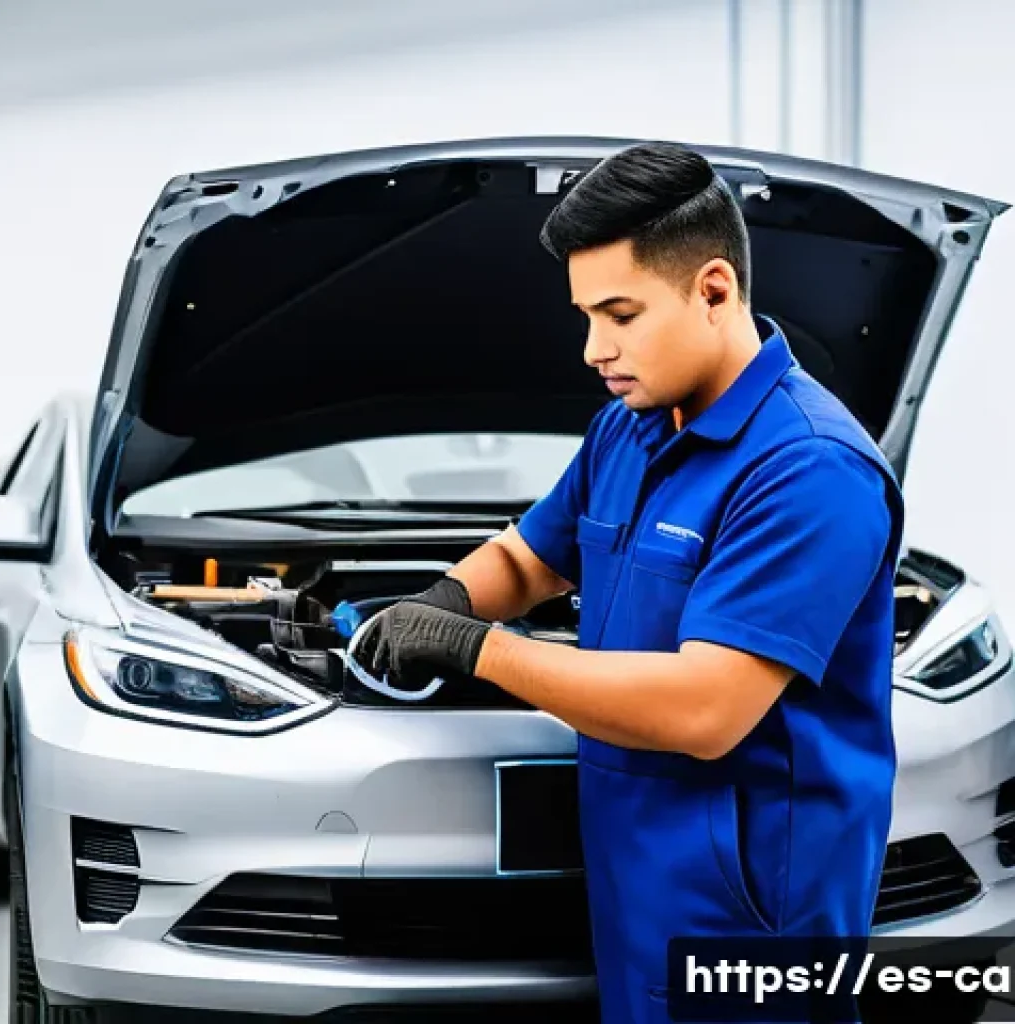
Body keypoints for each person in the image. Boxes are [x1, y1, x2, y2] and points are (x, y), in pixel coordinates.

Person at [352, 142, 905, 1023]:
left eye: (619, 314)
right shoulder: (632, 427)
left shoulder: (810, 470)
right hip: (638, 874)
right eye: (584, 316)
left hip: (753, 909)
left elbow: (703, 708)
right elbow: (532, 557)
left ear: (714, 291)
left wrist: (477, 648)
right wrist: (447, 597)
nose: (592, 348)